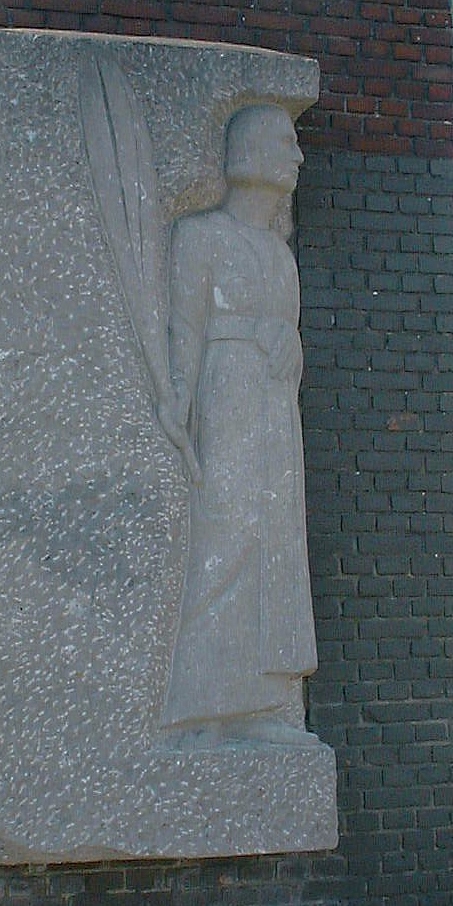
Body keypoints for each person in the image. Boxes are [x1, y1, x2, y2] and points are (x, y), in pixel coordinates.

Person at [158, 105, 318, 747]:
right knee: (222, 542)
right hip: (224, 397)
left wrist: (289, 345)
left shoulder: (280, 253)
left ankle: (263, 705)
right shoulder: (200, 235)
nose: (298, 156)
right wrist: (175, 399)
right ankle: (201, 709)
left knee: (276, 546)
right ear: (249, 151)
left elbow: (289, 334)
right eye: (287, 142)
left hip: (275, 407)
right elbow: (185, 326)